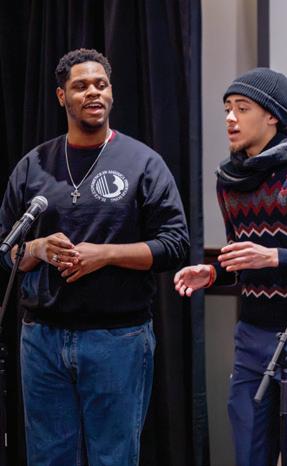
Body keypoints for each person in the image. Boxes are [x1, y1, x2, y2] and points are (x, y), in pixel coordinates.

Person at [0, 48, 189, 465]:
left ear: (111, 93)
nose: (93, 92)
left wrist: (105, 254)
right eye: (81, 86)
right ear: (61, 96)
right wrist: (37, 249)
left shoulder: (143, 162)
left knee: (114, 459)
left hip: (118, 339)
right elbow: (6, 251)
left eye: (101, 84)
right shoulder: (33, 167)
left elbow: (175, 244)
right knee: (48, 459)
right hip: (42, 339)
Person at [174, 68, 287, 466]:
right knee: (250, 453)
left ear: (272, 115)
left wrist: (275, 256)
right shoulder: (229, 179)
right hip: (252, 334)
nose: (230, 118)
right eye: (227, 108)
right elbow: (243, 256)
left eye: (242, 108)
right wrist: (215, 273)